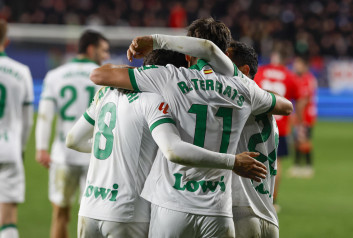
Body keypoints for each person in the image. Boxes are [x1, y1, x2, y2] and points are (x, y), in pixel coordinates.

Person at [91, 17, 293, 238]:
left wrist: (142, 61)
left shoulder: (170, 77)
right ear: (224, 54)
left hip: (172, 205)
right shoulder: (245, 88)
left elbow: (99, 75)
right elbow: (285, 106)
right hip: (219, 212)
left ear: (187, 55)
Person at [66, 49, 267, 237]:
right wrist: (233, 162)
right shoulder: (154, 99)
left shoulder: (106, 92)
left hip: (90, 208)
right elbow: (174, 149)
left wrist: (121, 148)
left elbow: (73, 140)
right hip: (127, 213)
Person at [35, 30, 110, 238]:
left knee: (60, 214)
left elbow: (45, 115)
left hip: (63, 154)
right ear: (90, 48)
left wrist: (41, 147)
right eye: (103, 51)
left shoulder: (55, 75)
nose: (106, 56)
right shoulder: (103, 74)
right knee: (94, 218)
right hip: (94, 155)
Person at [228, 41, 280, 237]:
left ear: (244, 70)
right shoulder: (266, 106)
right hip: (268, 214)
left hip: (241, 210)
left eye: (225, 63)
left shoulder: (235, 100)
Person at [254, 49, 307, 203]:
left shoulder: (261, 72)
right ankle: (272, 200)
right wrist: (300, 123)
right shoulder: (290, 76)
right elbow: (301, 100)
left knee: (254, 160)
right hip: (280, 127)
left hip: (257, 123)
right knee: (277, 163)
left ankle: (255, 199)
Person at [0, 19, 34, 238]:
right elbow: (28, 120)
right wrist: (20, 148)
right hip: (9, 147)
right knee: (8, 218)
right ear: (7, 40)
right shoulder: (21, 71)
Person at [291, 56, 317, 178]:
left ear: (304, 65)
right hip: (299, 115)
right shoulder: (298, 78)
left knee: (305, 141)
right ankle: (297, 165)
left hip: (306, 116)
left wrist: (299, 117)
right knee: (297, 140)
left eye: (298, 64)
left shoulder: (308, 79)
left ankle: (308, 166)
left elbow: (304, 100)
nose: (296, 66)